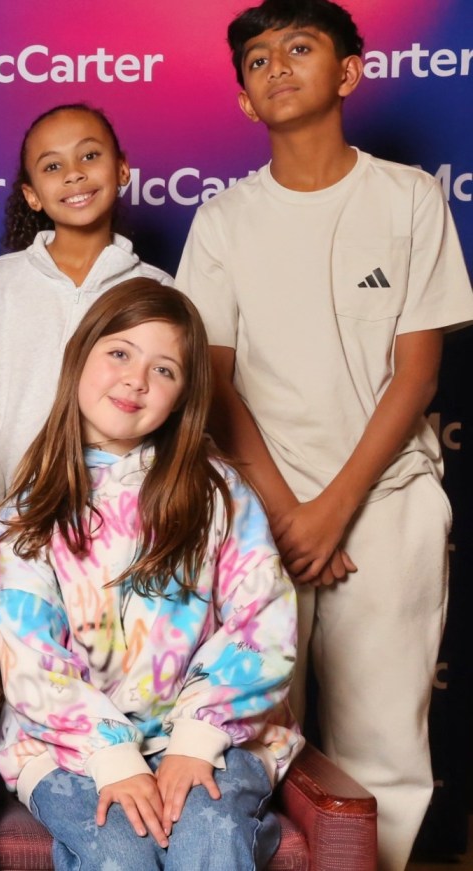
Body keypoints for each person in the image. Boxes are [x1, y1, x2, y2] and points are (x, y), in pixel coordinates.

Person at [176, 2, 473, 866]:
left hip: (384, 501)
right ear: (244, 99)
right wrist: (286, 511)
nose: (277, 66)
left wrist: (332, 510)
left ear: (347, 72)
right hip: (257, 510)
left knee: (384, 739)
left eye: (299, 48)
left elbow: (417, 374)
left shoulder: (408, 197)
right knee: (254, 737)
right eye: (258, 59)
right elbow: (213, 382)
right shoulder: (224, 219)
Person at [0, 280, 301, 871]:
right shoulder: (29, 513)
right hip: (68, 746)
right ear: (79, 357)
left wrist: (195, 743)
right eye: (119, 353)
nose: (136, 380)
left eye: (164, 370)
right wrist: (113, 758)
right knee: (120, 850)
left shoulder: (219, 492)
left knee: (208, 835)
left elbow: (263, 622)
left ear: (184, 397)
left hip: (213, 734)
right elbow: (30, 655)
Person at [0, 104, 172, 522]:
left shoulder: (157, 291)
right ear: (31, 194)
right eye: (53, 166)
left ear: (122, 169)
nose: (74, 174)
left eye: (89, 155)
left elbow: (170, 419)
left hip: (121, 528)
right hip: (6, 528)